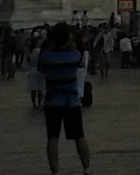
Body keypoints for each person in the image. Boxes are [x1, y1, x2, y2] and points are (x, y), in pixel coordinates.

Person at [38, 23, 92, 175]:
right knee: (79, 136)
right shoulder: (74, 56)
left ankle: (56, 171)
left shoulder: (46, 57)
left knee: (52, 138)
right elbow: (81, 63)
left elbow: (42, 68)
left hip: (52, 101)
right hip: (71, 101)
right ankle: (87, 167)